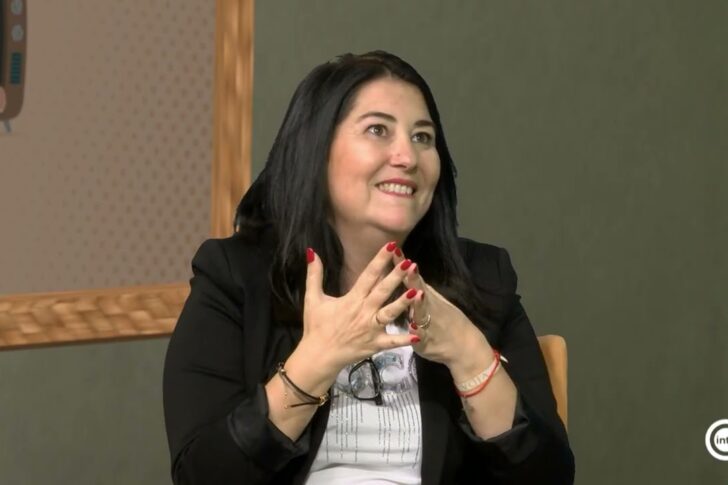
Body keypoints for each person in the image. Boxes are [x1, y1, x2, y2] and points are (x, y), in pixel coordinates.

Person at [163, 50, 575, 484]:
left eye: (423, 137)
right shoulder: (235, 275)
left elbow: (548, 477)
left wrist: (468, 352)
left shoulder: (483, 277)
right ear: (316, 151)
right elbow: (201, 475)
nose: (407, 157)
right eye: (378, 130)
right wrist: (317, 362)